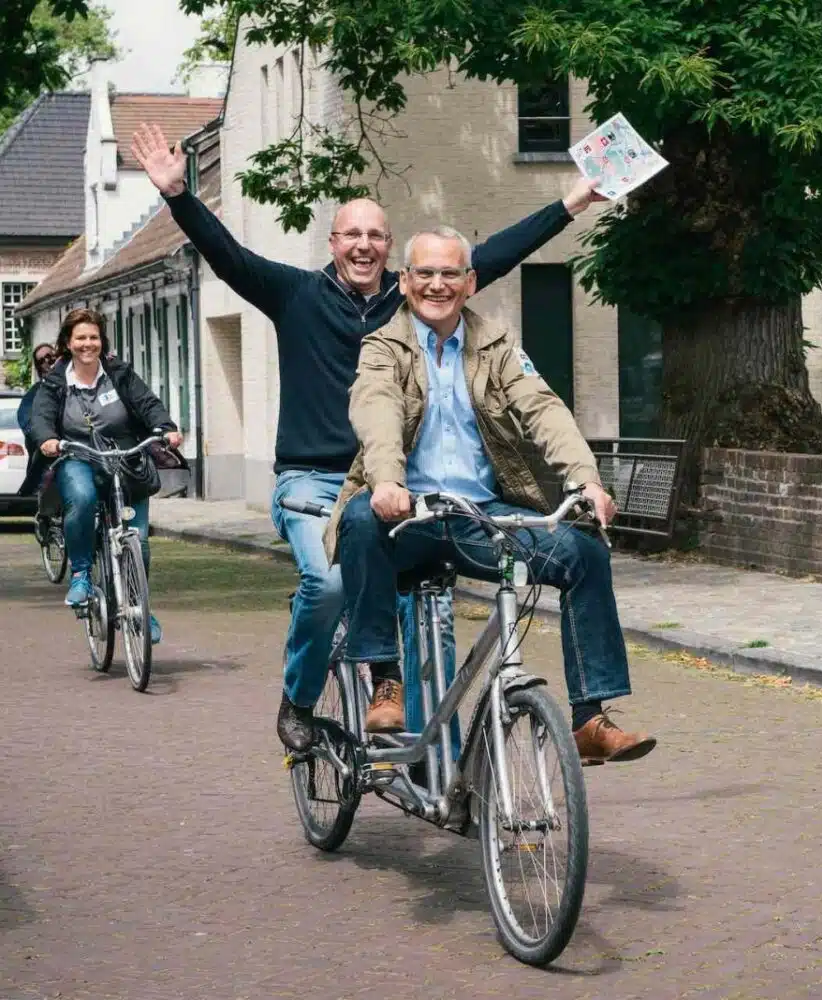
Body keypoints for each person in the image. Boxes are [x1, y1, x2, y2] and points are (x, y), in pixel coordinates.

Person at [129, 122, 607, 753]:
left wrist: (572, 203)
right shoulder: (295, 294)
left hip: (402, 482)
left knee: (426, 606)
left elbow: (492, 254)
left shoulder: (410, 301)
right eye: (351, 234)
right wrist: (178, 196)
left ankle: (429, 752)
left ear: (391, 251)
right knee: (329, 584)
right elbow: (227, 256)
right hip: (315, 479)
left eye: (376, 235)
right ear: (333, 243)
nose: (363, 245)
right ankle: (300, 700)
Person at [326, 226, 657, 765]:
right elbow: (377, 407)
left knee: (584, 552)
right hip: (406, 516)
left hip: (479, 518)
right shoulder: (383, 347)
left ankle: (589, 718)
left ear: (470, 282)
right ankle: (385, 678)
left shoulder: (497, 346)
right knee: (361, 520)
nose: (437, 284)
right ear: (404, 281)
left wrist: (585, 480)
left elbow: (543, 409)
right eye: (425, 273)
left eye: (450, 273)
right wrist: (386, 480)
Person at [31, 308, 183, 641]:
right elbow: (41, 416)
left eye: (94, 337)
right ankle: (82, 575)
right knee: (82, 497)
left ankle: (139, 605)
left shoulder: (118, 372)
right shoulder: (56, 381)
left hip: (123, 459)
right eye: (80, 338)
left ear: (102, 340)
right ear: (68, 343)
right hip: (78, 456)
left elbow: (147, 403)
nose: (88, 344)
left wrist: (166, 427)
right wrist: (48, 439)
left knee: (138, 540)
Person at [17, 342, 58, 448]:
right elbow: (29, 425)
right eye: (41, 361)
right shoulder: (33, 394)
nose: (47, 361)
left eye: (49, 356)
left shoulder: (74, 383)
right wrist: (46, 438)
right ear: (39, 368)